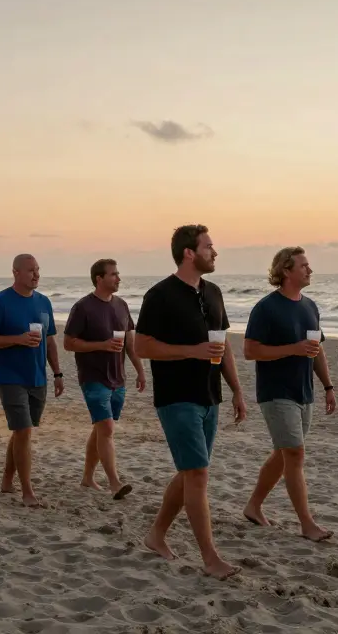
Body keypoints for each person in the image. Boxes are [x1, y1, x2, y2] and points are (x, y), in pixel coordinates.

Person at [134, 224, 247, 580]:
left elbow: (223, 343)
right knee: (197, 474)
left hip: (210, 395)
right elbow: (142, 346)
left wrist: (237, 390)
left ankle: (156, 535)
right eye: (209, 247)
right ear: (189, 253)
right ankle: (210, 558)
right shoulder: (160, 295)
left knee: (190, 473)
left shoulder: (213, 292)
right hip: (176, 397)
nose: (215, 253)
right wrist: (191, 351)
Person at [241, 246, 337, 542]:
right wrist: (292, 349)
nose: (310, 270)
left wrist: (328, 386)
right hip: (275, 391)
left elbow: (317, 349)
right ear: (286, 270)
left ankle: (253, 506)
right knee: (294, 453)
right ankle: (307, 525)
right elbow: (249, 350)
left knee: (284, 455)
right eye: (304, 266)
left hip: (303, 391)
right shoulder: (266, 308)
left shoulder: (310, 307)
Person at [0, 254, 64, 508]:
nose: (36, 275)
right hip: (9, 377)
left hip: (38, 376)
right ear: (15, 272)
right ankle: (27, 491)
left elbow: (49, 340)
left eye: (38, 270)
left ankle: (7, 479)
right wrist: (18, 339)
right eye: (30, 271)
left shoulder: (44, 302)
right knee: (23, 431)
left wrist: (57, 373)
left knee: (21, 431)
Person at [63, 258, 146, 500]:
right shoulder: (82, 308)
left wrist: (140, 370)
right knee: (107, 428)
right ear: (99, 279)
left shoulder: (121, 305)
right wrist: (102, 345)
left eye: (118, 274)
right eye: (113, 274)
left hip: (118, 378)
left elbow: (129, 343)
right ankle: (114, 483)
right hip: (93, 377)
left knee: (101, 428)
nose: (118, 278)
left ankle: (88, 478)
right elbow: (69, 343)